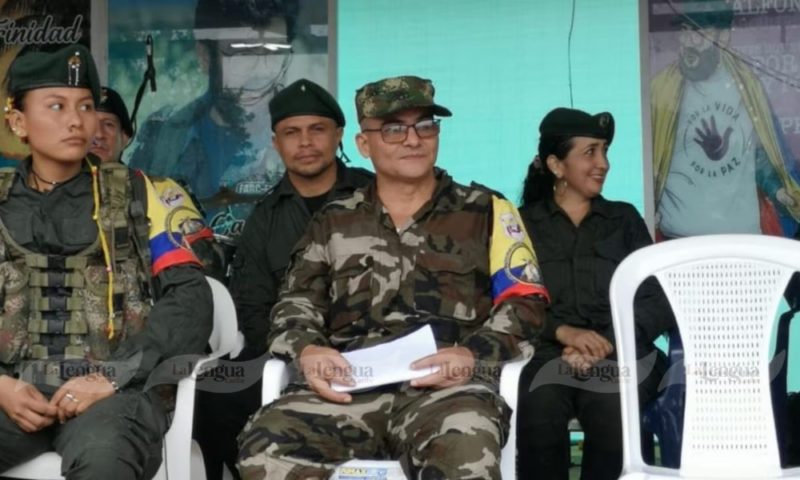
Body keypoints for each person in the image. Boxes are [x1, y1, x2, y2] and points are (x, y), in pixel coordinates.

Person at [236, 75, 549, 480]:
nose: (413, 140)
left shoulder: (487, 211)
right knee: (265, 448)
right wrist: (308, 350)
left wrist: (472, 355)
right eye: (393, 129)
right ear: (363, 144)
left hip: (446, 391)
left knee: (467, 448)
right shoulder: (333, 220)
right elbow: (295, 306)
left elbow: (525, 302)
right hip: (347, 388)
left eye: (425, 126)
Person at [0, 44, 213, 479]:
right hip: (12, 390)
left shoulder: (141, 194)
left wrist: (113, 376)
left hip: (114, 394)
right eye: (57, 106)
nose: (77, 121)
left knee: (105, 460)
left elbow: (190, 300)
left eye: (86, 106)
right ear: (18, 121)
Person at [194, 78, 372, 480]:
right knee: (213, 391)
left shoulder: (373, 195)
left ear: (339, 135)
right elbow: (253, 309)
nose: (305, 142)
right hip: (289, 351)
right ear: (276, 142)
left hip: (369, 348)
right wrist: (299, 352)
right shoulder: (265, 218)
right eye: (292, 132)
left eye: (317, 129)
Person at [516, 107, 675, 480]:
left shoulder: (623, 220)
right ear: (556, 165)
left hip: (622, 354)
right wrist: (563, 333)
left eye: (604, 151)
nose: (603, 163)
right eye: (590, 152)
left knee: (612, 408)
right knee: (539, 410)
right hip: (545, 355)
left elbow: (657, 298)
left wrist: (604, 341)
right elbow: (510, 300)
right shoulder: (522, 225)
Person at [128, 0, 321, 239]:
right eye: (243, 52)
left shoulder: (310, 136)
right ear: (204, 56)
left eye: (274, 51)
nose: (262, 71)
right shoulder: (164, 138)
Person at [652, 1, 800, 238]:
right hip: (677, 245)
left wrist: (779, 191)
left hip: (743, 241)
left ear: (723, 37)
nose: (688, 41)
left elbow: (760, 157)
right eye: (684, 31)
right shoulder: (661, 91)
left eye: (698, 32)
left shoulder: (747, 87)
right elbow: (650, 164)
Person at [91, 85, 226, 281]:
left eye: (108, 125)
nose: (98, 134)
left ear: (125, 137)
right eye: (90, 124)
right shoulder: (54, 190)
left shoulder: (159, 190)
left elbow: (206, 262)